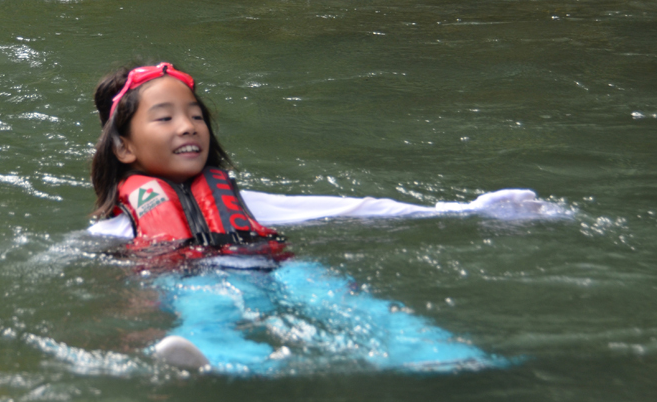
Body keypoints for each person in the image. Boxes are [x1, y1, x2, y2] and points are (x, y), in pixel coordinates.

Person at [85, 62, 564, 375]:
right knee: (206, 313)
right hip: (193, 280)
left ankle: (441, 355)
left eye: (196, 115)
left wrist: (469, 209)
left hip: (278, 267)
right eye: (165, 118)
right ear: (123, 146)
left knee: (358, 304)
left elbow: (350, 208)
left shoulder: (247, 202)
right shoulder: (120, 226)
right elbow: (90, 259)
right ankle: (222, 359)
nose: (189, 126)